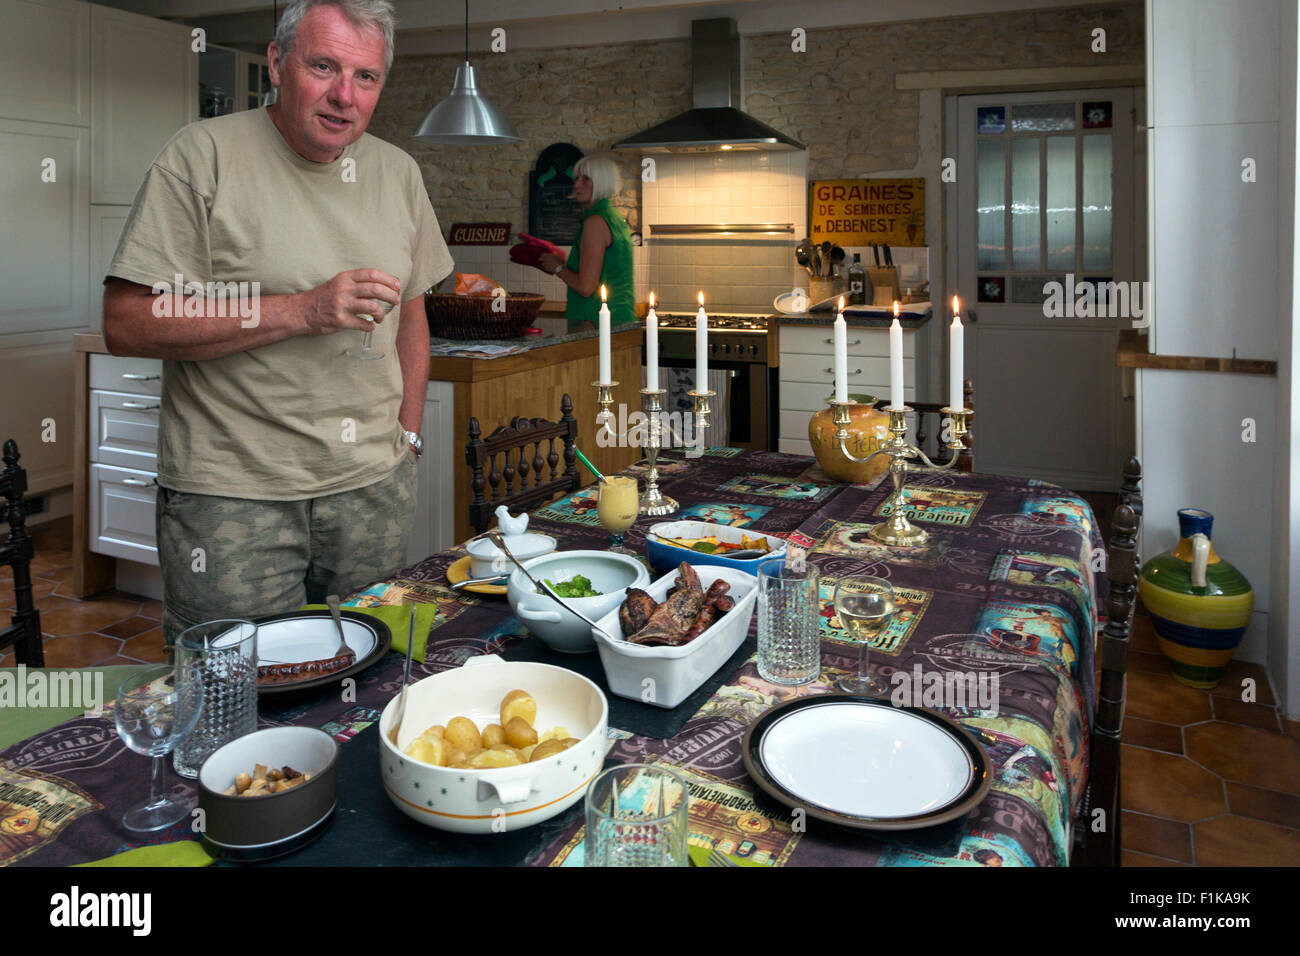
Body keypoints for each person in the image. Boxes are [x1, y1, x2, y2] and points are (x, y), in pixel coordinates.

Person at [102, 0, 454, 644]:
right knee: (234, 698)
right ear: (277, 62)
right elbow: (127, 323)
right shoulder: (200, 157)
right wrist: (302, 309)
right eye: (324, 66)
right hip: (233, 499)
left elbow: (412, 315)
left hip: (372, 490)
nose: (344, 96)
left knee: (370, 681)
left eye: (366, 77)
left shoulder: (398, 173)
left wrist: (407, 436)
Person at [533, 155, 635, 332]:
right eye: (576, 178)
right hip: (619, 319)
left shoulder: (595, 222)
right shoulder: (613, 217)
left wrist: (558, 268)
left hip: (594, 323)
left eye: (585, 179)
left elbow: (586, 287)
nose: (576, 184)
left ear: (602, 182)